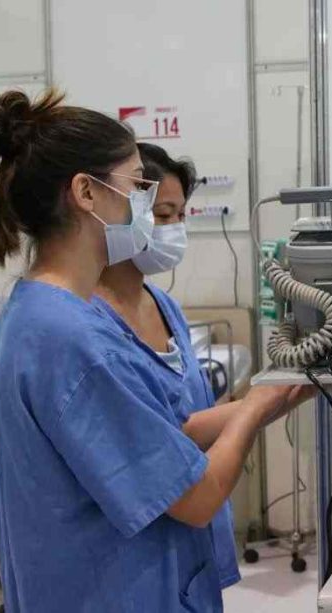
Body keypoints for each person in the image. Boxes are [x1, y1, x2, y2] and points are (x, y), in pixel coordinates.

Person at [0, 89, 311, 612]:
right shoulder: (73, 339)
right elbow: (197, 498)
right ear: (86, 193)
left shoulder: (39, 313)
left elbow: (162, 436)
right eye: (138, 186)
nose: (147, 206)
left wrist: (281, 392)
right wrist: (252, 411)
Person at [91, 143, 242, 591]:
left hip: (191, 530)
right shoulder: (90, 322)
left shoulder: (164, 306)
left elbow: (187, 423)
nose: (174, 228)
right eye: (162, 214)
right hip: (137, 546)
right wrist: (255, 410)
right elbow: (160, 440)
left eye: (181, 215)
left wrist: (277, 394)